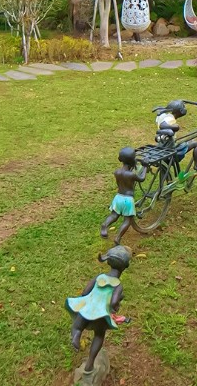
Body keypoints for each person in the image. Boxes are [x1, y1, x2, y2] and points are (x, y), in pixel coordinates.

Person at [66, 246, 131, 376]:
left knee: (78, 326)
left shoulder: (99, 277)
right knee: (99, 335)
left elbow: (85, 291)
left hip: (88, 306)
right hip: (101, 313)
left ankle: (77, 334)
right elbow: (113, 302)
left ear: (108, 261)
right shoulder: (118, 285)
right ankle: (90, 364)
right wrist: (116, 304)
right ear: (124, 267)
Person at [100, 147, 147, 243]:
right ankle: (118, 237)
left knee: (114, 215)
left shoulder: (117, 172)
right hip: (127, 200)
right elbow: (142, 178)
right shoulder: (131, 175)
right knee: (127, 220)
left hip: (118, 197)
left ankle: (105, 225)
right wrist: (145, 166)